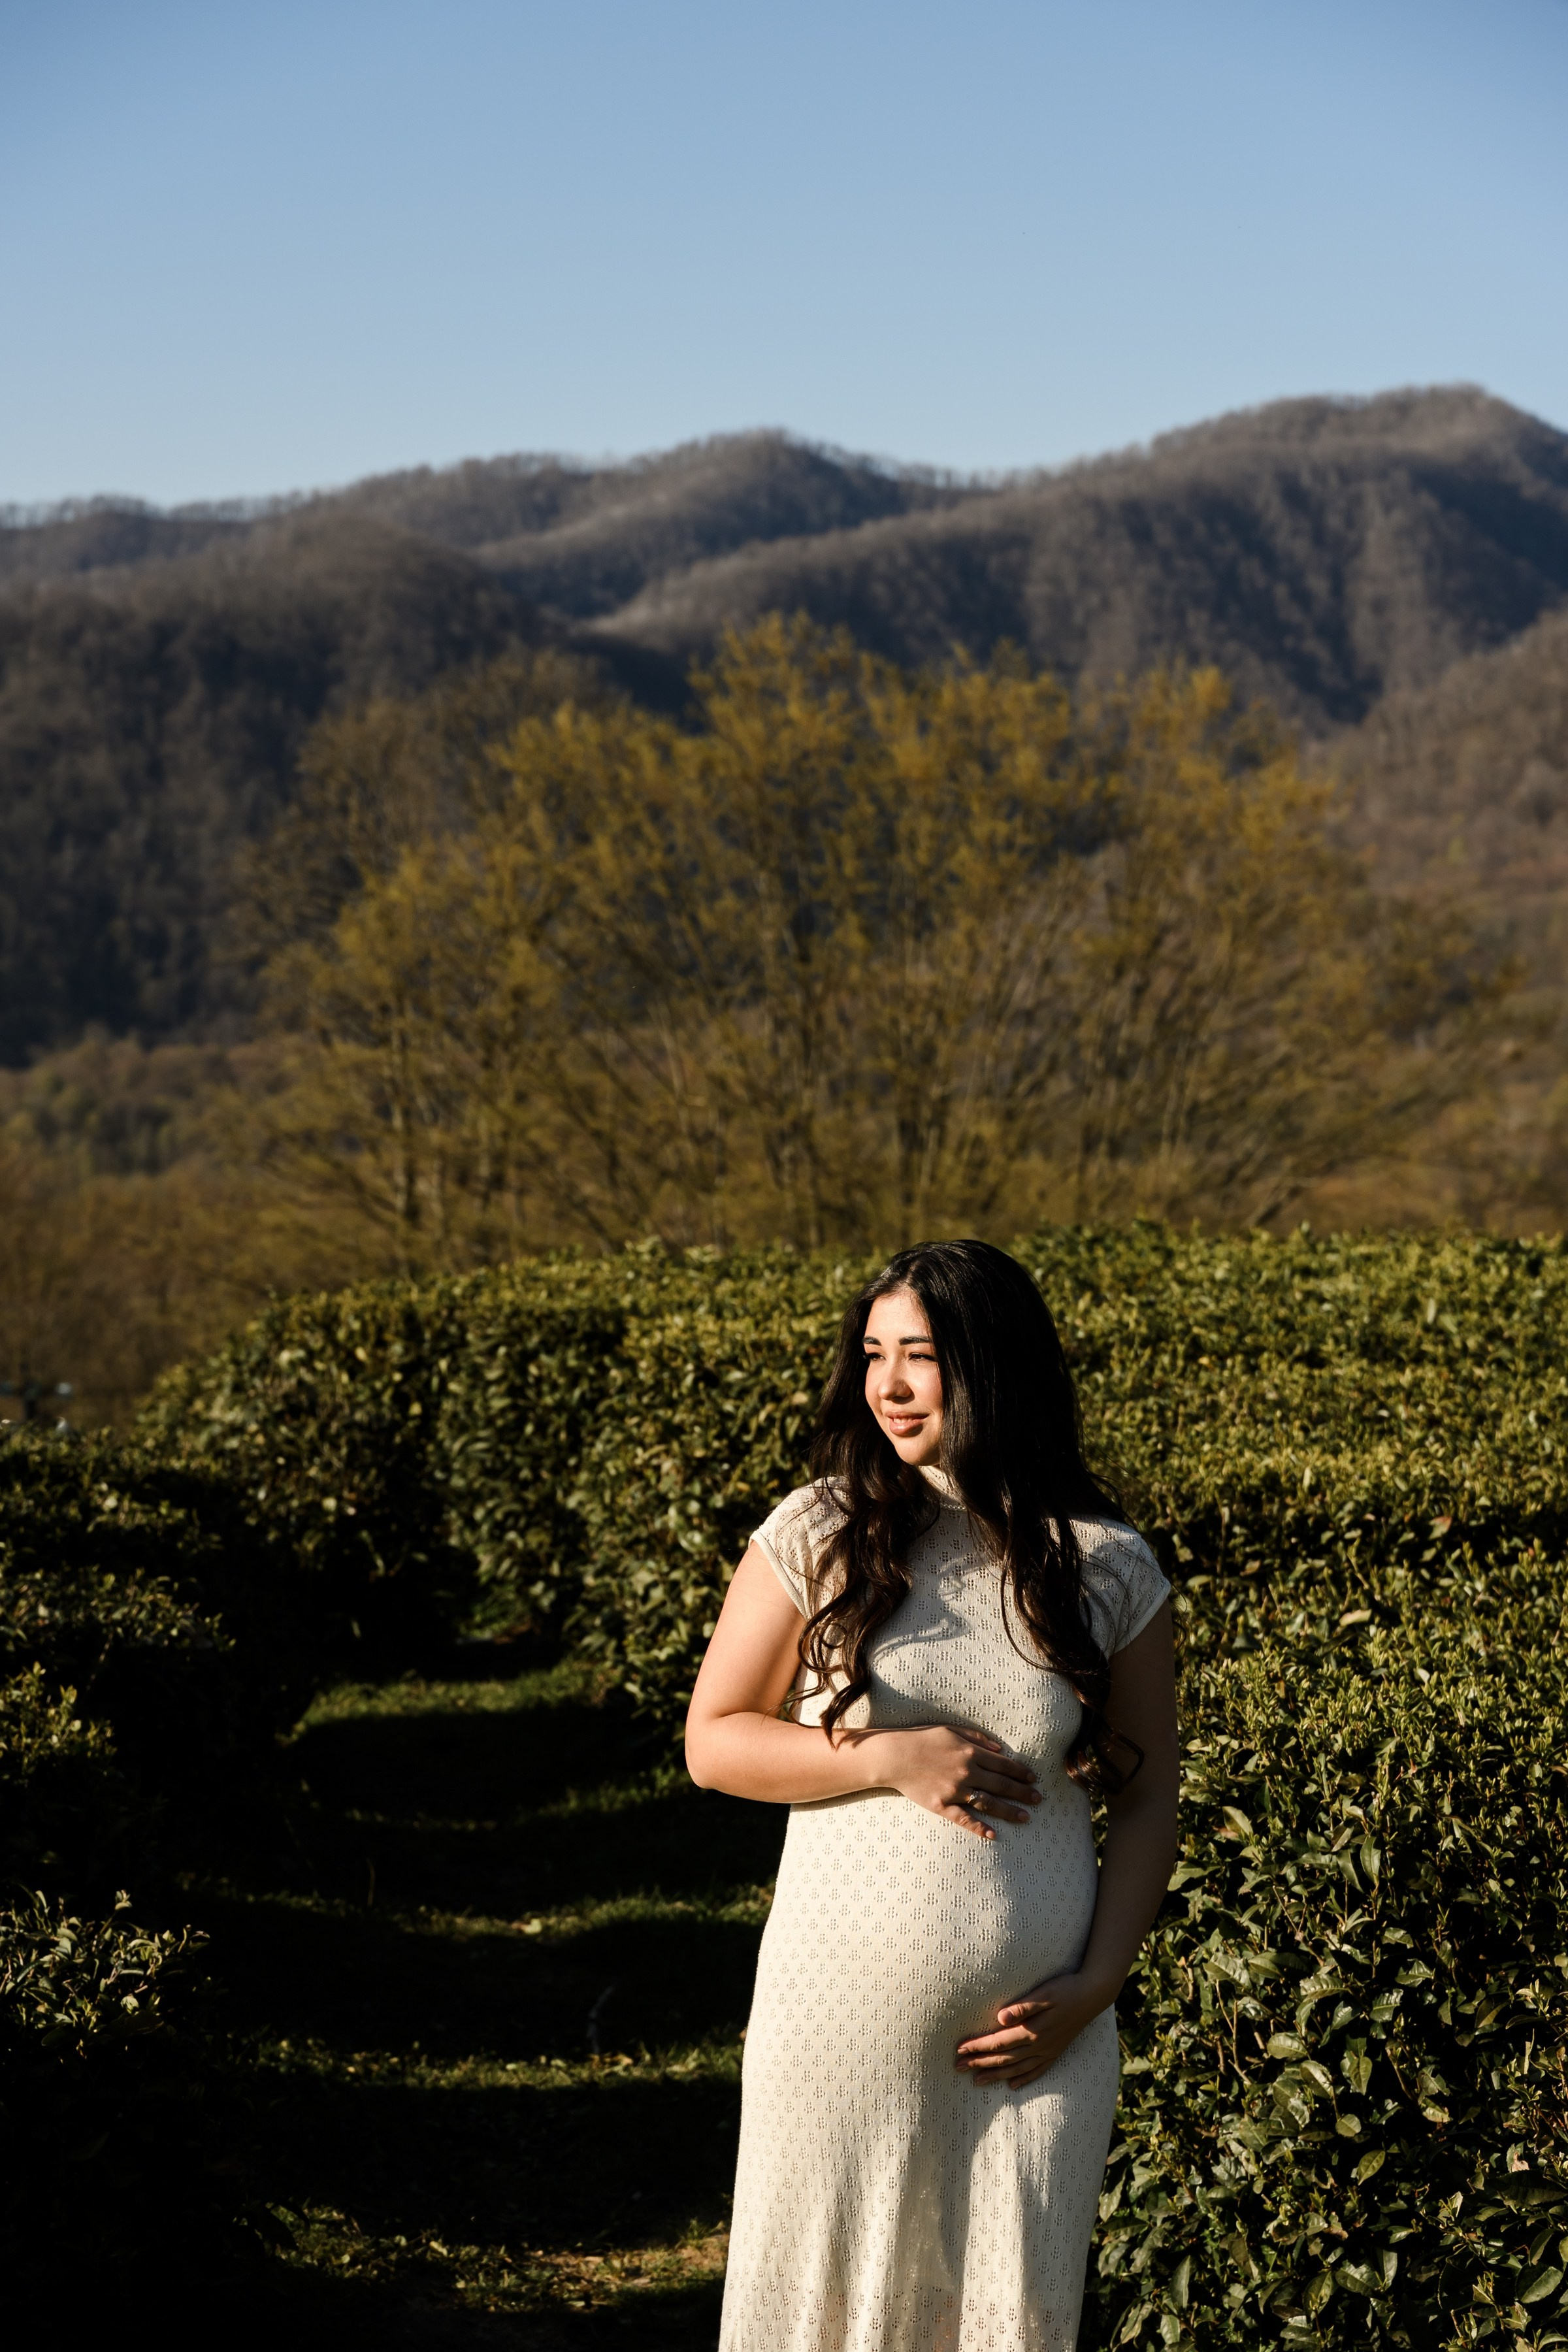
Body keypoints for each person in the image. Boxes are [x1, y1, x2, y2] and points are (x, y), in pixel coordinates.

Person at [685, 1239, 1180, 2352]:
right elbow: (713, 1743)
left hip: (1038, 2046)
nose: (889, 1386)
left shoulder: (1108, 1565)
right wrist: (883, 1756)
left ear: (992, 1365)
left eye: (920, 1355)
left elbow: (1151, 1800)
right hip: (838, 2024)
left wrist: (1099, 1984)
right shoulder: (817, 1531)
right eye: (873, 1354)